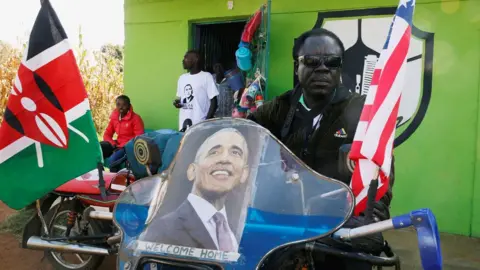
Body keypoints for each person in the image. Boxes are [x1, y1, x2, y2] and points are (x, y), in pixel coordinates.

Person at [247, 28, 395, 269]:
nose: (323, 68)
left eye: (332, 62)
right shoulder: (279, 108)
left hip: (340, 227)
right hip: (285, 223)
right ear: (297, 67)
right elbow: (241, 135)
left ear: (340, 69)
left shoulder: (362, 112)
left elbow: (379, 168)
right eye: (312, 61)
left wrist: (376, 209)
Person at [143, 128, 250, 252]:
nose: (225, 159)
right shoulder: (163, 229)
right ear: (192, 171)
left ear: (244, 173)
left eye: (235, 153)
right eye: (214, 152)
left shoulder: (239, 227)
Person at [173, 50, 219, 132]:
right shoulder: (182, 78)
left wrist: (206, 122)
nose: (183, 61)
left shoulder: (206, 77)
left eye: (186, 58)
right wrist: (177, 104)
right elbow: (182, 101)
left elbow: (214, 102)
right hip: (183, 124)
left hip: (200, 124)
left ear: (195, 59)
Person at [101, 95, 145, 172]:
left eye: (124, 105)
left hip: (128, 146)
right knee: (98, 148)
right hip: (117, 144)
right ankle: (101, 175)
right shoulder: (115, 118)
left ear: (129, 106)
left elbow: (139, 138)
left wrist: (123, 147)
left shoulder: (136, 119)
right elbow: (107, 134)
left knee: (113, 160)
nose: (121, 107)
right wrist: (113, 144)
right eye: (118, 104)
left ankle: (114, 180)